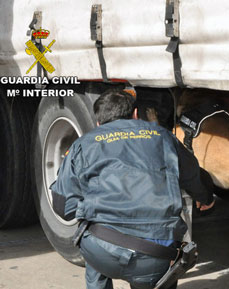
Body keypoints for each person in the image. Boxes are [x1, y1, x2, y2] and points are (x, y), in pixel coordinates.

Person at [50, 88, 215, 289]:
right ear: (136, 114)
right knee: (161, 271)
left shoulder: (83, 145)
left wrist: (92, 206)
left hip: (102, 252)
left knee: (92, 236)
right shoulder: (163, 137)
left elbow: (63, 207)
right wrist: (206, 197)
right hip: (154, 255)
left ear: (98, 123)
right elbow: (193, 175)